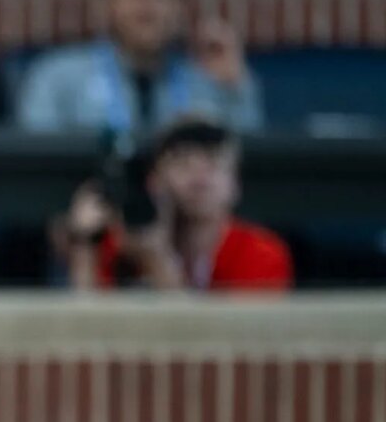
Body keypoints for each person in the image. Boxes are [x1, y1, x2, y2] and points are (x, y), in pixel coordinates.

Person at [18, 0, 261, 137]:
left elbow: (250, 173)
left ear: (180, 5)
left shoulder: (208, 84)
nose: (146, 4)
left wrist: (235, 90)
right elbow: (35, 175)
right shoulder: (57, 79)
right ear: (107, 3)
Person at [57, 117, 292, 291]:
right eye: (183, 163)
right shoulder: (124, 242)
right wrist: (84, 247)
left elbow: (212, 346)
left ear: (236, 184)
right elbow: (86, 338)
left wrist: (158, 260)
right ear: (154, 180)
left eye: (214, 164)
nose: (200, 178)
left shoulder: (262, 252)